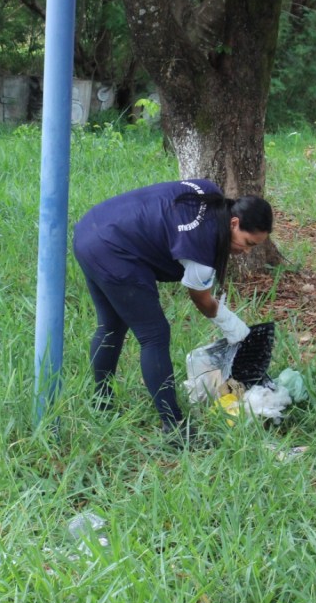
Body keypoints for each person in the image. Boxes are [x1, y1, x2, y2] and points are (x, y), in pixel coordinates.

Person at [72, 178, 273, 441]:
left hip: (92, 229)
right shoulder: (202, 248)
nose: (246, 251)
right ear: (234, 223)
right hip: (114, 249)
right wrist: (236, 328)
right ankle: (174, 428)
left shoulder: (209, 193)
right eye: (248, 243)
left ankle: (102, 402)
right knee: (154, 335)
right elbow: (202, 300)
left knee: (112, 326)